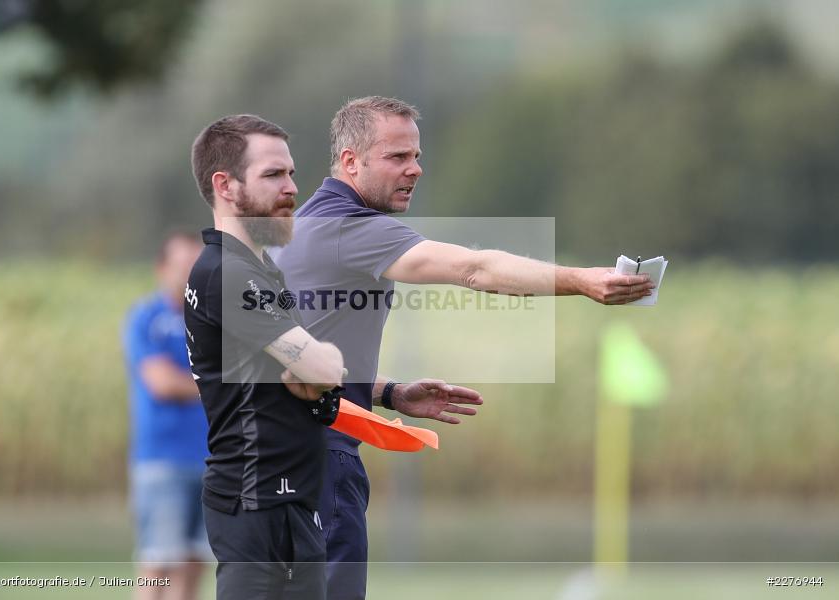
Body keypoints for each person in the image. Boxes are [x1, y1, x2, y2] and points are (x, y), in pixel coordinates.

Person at [274, 96, 657, 600]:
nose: (415, 169)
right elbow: (475, 269)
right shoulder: (352, 227)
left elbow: (292, 353)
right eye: (397, 157)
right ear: (351, 161)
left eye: (416, 156)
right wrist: (580, 280)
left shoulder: (298, 227)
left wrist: (388, 392)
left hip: (273, 453)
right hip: (319, 454)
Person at [185, 114, 346, 600]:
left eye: (291, 174)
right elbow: (320, 368)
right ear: (225, 186)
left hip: (284, 503)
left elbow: (305, 372)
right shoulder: (229, 274)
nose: (291, 188)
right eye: (273, 175)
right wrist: (319, 367)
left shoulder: (254, 270)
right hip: (259, 505)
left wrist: (390, 393)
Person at [122, 231, 211, 600]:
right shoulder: (147, 318)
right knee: (158, 564)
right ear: (161, 269)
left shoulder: (214, 322)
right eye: (183, 265)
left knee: (193, 564)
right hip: (163, 462)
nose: (192, 274)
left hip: (213, 460)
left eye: (198, 266)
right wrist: (218, 386)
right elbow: (161, 383)